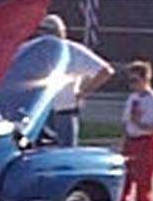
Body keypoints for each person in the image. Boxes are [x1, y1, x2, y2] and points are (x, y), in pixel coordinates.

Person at [38, 13, 114, 147]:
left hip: (64, 110)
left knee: (65, 151)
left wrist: (83, 92)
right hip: (38, 111)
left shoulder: (73, 51)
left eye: (49, 32)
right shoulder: (36, 51)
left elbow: (105, 71)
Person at [121, 59, 153, 201]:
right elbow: (126, 122)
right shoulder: (132, 98)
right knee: (124, 182)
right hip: (131, 142)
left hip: (147, 144)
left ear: (146, 79)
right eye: (130, 81)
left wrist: (140, 124)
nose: (132, 85)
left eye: (135, 81)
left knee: (143, 186)